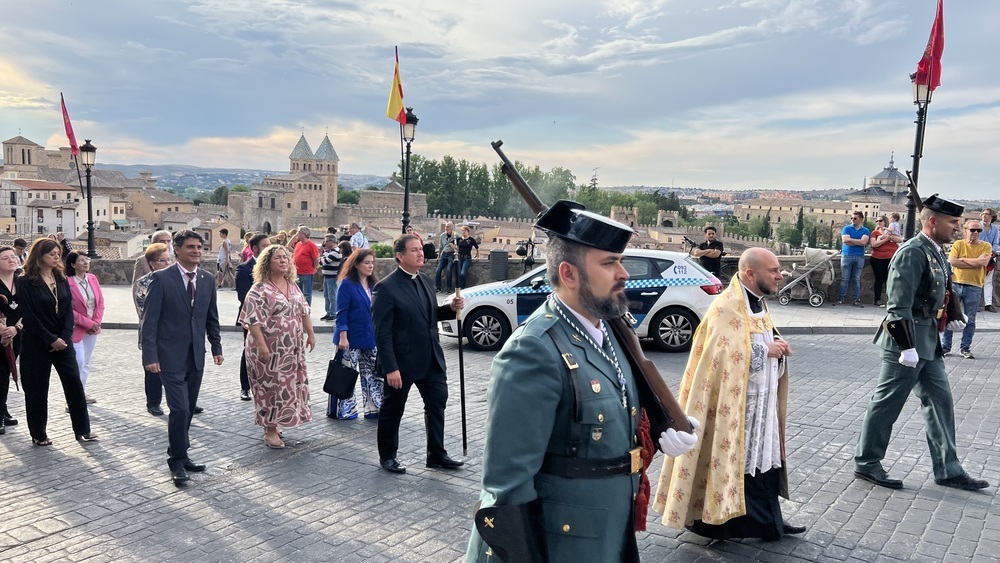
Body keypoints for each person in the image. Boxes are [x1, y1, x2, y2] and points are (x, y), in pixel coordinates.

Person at [465, 201, 699, 563]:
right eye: (609, 263)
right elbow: (507, 488)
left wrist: (657, 429)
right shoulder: (533, 350)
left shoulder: (608, 333)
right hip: (564, 542)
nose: (623, 273)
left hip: (610, 528)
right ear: (569, 274)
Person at [653, 247, 804, 541]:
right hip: (731, 405)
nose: (779, 275)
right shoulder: (726, 306)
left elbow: (761, 338)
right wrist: (764, 350)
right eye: (773, 270)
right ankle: (715, 522)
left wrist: (778, 346)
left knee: (764, 458)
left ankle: (770, 521)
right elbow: (719, 354)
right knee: (730, 459)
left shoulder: (757, 303)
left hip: (761, 403)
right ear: (750, 274)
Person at [854, 195, 989, 492]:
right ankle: (867, 463)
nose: (958, 227)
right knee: (887, 404)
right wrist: (907, 347)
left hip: (928, 338)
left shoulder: (935, 250)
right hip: (906, 342)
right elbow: (897, 306)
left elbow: (942, 289)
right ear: (933, 222)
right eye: (953, 222)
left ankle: (948, 468)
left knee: (941, 403)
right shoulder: (912, 252)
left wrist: (952, 314)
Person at [373, 234, 464, 475]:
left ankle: (436, 454)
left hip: (431, 359)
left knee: (437, 404)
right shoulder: (386, 288)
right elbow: (381, 333)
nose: (420, 253)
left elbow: (429, 315)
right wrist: (390, 368)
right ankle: (388, 456)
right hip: (401, 364)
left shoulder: (424, 280)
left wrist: (449, 309)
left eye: (421, 249)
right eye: (414, 250)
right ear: (400, 256)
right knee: (393, 409)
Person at [141, 230, 224, 484]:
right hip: (168, 356)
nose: (197, 250)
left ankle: (180, 452)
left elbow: (211, 316)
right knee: (179, 408)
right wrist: (150, 355)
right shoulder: (161, 279)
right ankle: (176, 461)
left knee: (187, 410)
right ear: (177, 250)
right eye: (191, 246)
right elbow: (149, 321)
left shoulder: (208, 279)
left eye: (200, 246)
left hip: (195, 356)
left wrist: (216, 347)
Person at [17, 238, 98, 445]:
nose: (56, 257)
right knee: (37, 389)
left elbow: (68, 311)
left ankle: (83, 429)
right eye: (51, 254)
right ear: (39, 255)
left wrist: (64, 335)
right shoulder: (25, 280)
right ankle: (39, 434)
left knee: (74, 384)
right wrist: (50, 338)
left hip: (63, 340)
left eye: (57, 253)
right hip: (37, 341)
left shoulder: (60, 277)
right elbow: (28, 315)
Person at [239, 245, 315, 449]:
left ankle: (279, 420)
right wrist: (262, 347)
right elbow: (252, 321)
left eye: (285, 258)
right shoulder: (259, 289)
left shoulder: (293, 285)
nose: (283, 261)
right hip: (268, 348)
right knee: (269, 387)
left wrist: (311, 334)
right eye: (278, 258)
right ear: (267, 263)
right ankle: (270, 429)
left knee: (288, 387)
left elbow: (303, 311)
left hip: (292, 350)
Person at [332, 248, 382, 420]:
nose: (370, 266)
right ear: (356, 264)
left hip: (370, 336)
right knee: (347, 374)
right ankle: (346, 409)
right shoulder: (346, 284)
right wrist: (343, 336)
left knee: (373, 374)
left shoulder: (374, 284)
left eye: (372, 263)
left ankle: (374, 407)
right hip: (350, 337)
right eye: (366, 263)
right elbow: (341, 313)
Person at [941, 220, 992, 359]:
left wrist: (963, 260)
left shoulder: (986, 246)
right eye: (972, 230)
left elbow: (983, 263)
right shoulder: (959, 244)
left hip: (975, 286)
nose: (975, 233)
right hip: (956, 284)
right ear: (965, 230)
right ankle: (946, 346)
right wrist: (974, 262)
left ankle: (965, 348)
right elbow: (952, 261)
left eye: (979, 230)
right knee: (950, 316)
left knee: (970, 319)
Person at [133, 243, 172, 416]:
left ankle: (184, 401)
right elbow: (144, 311)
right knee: (153, 369)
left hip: (174, 333)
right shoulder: (143, 282)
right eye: (162, 260)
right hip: (154, 333)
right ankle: (153, 402)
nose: (166, 263)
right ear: (151, 263)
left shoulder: (177, 279)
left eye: (168, 260)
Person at [66, 252, 104, 405]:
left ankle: (82, 392)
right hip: (76, 328)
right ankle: (73, 397)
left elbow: (100, 303)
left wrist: (96, 322)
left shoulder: (93, 279)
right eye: (81, 260)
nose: (85, 262)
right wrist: (88, 323)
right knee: (78, 362)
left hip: (93, 328)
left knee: (86, 362)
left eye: (86, 259)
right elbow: (67, 309)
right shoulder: (67, 282)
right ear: (73, 264)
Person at [235, 234, 271, 402]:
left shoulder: (276, 267)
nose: (269, 249)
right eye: (265, 246)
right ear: (254, 249)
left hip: (275, 320)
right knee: (249, 351)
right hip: (252, 319)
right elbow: (243, 296)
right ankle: (245, 387)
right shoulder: (244, 269)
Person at [0, 246, 23, 434]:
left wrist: (15, 329)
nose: (11, 260)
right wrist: (3, 331)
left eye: (13, 257)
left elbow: (28, 309)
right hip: (1, 336)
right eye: (5, 258)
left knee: (7, 370)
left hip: (17, 334)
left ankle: (3, 408)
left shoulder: (22, 282)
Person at [836, 211, 870, 307]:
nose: (852, 220)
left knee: (856, 279)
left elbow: (864, 242)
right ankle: (841, 298)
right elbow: (845, 240)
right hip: (847, 255)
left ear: (861, 219)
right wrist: (858, 242)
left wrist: (851, 240)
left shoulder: (866, 230)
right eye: (851, 218)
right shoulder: (846, 228)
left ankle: (856, 299)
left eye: (855, 218)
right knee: (844, 279)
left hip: (859, 256)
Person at [869, 216, 902, 307]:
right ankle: (877, 299)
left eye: (880, 220)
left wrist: (889, 237)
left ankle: (891, 300)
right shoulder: (874, 233)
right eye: (877, 221)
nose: (878, 222)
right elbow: (874, 244)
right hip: (877, 258)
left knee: (890, 279)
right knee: (879, 279)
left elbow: (900, 239)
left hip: (891, 258)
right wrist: (887, 239)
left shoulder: (891, 231)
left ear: (885, 222)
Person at [291, 226, 319, 306]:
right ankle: (299, 309)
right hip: (297, 271)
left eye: (298, 233)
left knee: (306, 293)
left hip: (307, 272)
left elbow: (315, 258)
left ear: (304, 234)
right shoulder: (298, 244)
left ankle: (306, 310)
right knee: (297, 293)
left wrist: (315, 268)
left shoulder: (311, 245)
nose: (297, 235)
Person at [319, 235, 342, 321]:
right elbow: (321, 262)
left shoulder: (336, 252)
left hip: (332, 277)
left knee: (332, 295)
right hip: (327, 276)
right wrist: (323, 257)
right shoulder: (329, 252)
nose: (324, 244)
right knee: (326, 295)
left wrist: (322, 257)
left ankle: (333, 313)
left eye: (326, 241)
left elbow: (325, 261)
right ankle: (328, 312)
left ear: (331, 242)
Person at [980, 208, 998, 312]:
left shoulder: (994, 229)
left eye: (987, 214)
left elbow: (996, 242)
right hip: (979, 256)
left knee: (988, 281)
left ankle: (988, 304)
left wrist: (993, 252)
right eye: (984, 214)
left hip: (990, 257)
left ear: (992, 217)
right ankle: (976, 303)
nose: (985, 216)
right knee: (977, 280)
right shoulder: (977, 226)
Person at [435, 222, 456, 293]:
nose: (446, 228)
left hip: (451, 254)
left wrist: (453, 247)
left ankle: (448, 288)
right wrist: (439, 256)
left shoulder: (455, 236)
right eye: (446, 227)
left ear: (452, 228)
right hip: (444, 254)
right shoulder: (442, 236)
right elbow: (440, 246)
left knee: (448, 270)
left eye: (448, 227)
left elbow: (458, 248)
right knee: (438, 270)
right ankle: (438, 287)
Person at [456, 225, 479, 289]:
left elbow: (477, 248)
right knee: (459, 273)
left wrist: (477, 256)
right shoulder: (459, 239)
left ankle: (463, 286)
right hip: (460, 258)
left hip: (467, 258)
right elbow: (454, 244)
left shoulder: (471, 240)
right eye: (462, 231)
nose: (463, 232)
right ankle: (460, 286)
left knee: (463, 273)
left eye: (464, 231)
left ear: (468, 231)